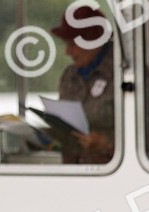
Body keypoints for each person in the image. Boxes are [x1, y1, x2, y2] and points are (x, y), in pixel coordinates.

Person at [50, 5, 116, 165]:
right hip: (74, 173)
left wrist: (106, 145)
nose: (67, 52)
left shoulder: (123, 73)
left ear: (92, 41)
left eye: (72, 44)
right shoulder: (69, 76)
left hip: (113, 175)